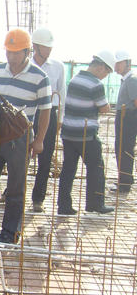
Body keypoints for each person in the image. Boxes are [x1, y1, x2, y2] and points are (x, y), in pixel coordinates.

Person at [0, 28, 52, 244]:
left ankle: (10, 232)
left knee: (15, 187)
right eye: (8, 52)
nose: (11, 56)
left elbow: (46, 110)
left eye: (16, 52)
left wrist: (39, 139)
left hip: (20, 137)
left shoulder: (40, 78)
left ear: (27, 52)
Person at [57, 52, 115, 215]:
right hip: (86, 134)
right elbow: (103, 108)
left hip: (69, 132)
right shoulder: (95, 84)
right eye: (107, 72)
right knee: (96, 167)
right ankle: (95, 203)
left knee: (68, 169)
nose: (106, 76)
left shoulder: (75, 78)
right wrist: (107, 106)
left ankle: (64, 206)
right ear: (101, 67)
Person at [29, 28, 67, 212]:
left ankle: (38, 198)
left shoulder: (58, 67)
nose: (49, 50)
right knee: (19, 155)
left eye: (50, 47)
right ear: (35, 46)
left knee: (45, 158)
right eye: (45, 46)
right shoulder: (25, 65)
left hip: (49, 114)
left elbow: (62, 94)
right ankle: (11, 191)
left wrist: (59, 119)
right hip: (28, 113)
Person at [113, 50, 137, 193]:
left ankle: (125, 183)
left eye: (119, 63)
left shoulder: (132, 80)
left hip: (128, 117)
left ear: (128, 63)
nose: (116, 66)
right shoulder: (126, 79)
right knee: (120, 148)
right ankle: (124, 178)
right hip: (123, 116)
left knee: (125, 149)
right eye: (115, 63)